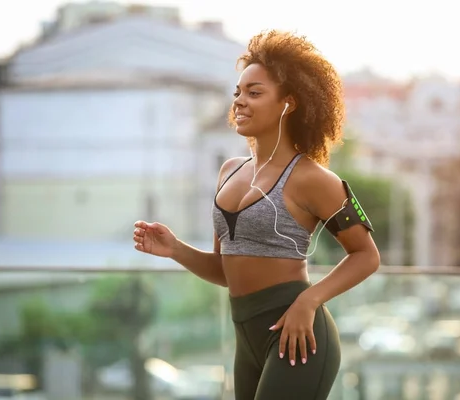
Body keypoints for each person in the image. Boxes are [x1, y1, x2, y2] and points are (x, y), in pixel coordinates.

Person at [133, 30, 380, 400]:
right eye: (238, 92)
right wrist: (177, 250)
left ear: (289, 103)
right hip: (246, 338)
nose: (239, 103)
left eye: (254, 92)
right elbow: (226, 270)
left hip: (298, 336)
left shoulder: (314, 179)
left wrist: (309, 301)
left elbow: (366, 256)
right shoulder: (229, 171)